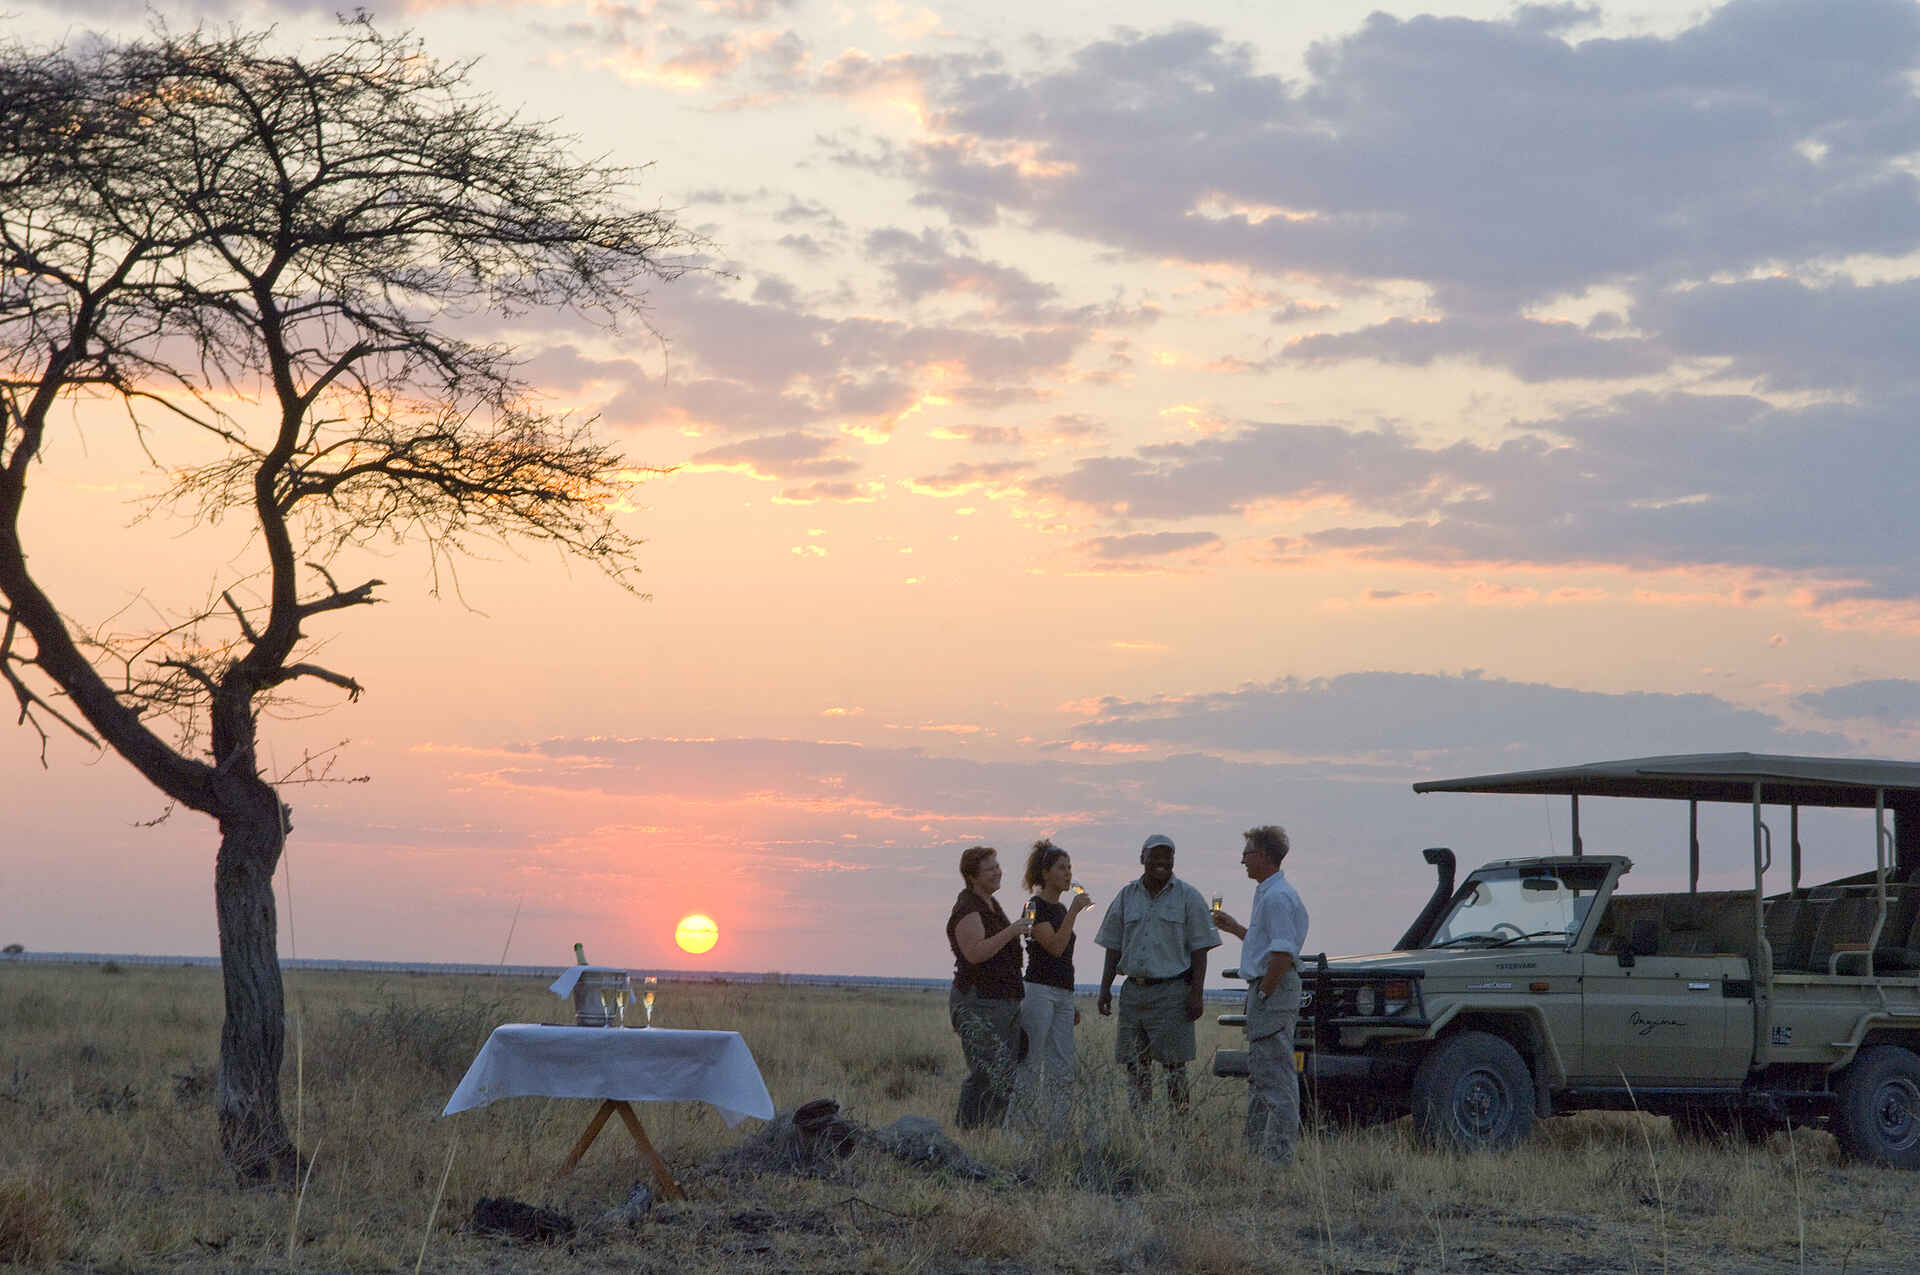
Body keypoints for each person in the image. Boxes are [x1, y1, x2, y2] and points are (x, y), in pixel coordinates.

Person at [1095, 833, 1220, 1110]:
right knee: (1135, 1065)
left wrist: (1196, 994)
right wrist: (1105, 988)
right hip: (1133, 993)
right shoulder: (1127, 896)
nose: (1162, 862)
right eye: (1155, 856)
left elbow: (1201, 949)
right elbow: (1113, 945)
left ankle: (1178, 1129)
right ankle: (1142, 1129)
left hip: (1172, 993)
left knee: (1174, 1067)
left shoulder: (1189, 896)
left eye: (1168, 856)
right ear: (1143, 859)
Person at [1212, 824, 1310, 1165]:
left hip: (1273, 991)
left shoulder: (1277, 898)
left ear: (1264, 857)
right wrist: (1236, 928)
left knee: (1277, 1076)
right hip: (1269, 989)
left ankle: (1277, 1158)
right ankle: (1256, 1154)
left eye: (1248, 854)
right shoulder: (1269, 894)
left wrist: (1266, 991)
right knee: (1262, 1072)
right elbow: (1267, 945)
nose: (1243, 861)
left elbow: (1282, 955)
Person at [946, 844, 1030, 1129]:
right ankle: (968, 1135)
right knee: (985, 1073)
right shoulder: (968, 908)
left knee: (1003, 1073)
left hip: (1002, 1001)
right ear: (973, 876)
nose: (997, 872)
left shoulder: (989, 905)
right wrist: (1012, 931)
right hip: (979, 1001)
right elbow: (975, 953)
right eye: (990, 868)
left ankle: (990, 1135)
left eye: (997, 866)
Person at [1014, 839, 1093, 1135]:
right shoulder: (1035, 907)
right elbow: (1056, 947)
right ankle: (1019, 1131)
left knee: (1062, 1066)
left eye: (1070, 867)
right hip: (1039, 991)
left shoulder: (1059, 909)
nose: (1068, 873)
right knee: (1031, 1062)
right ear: (1045, 873)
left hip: (1063, 992)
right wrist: (1073, 913)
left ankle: (1056, 1131)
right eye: (1062, 868)